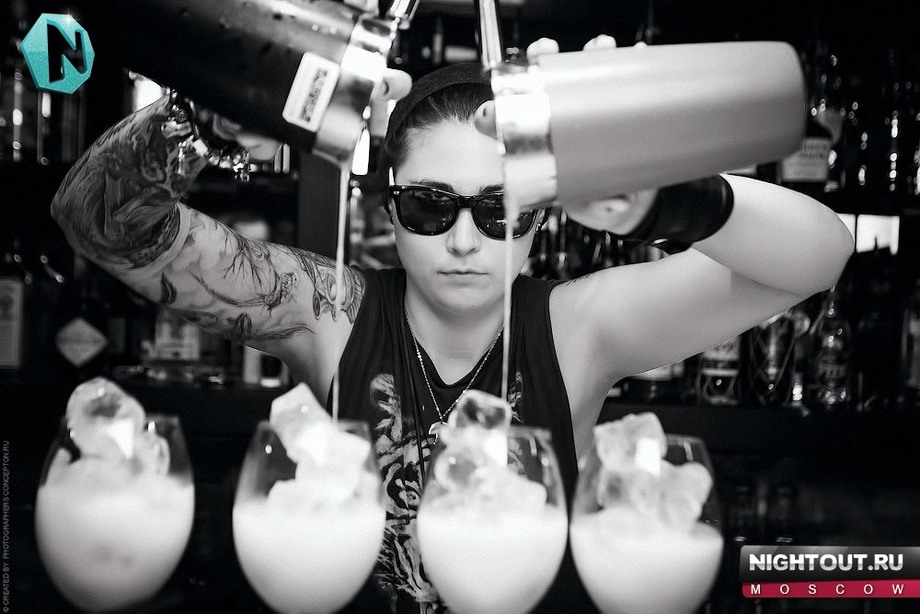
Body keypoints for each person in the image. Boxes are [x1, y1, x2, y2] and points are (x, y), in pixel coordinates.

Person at [50, 35, 853, 613]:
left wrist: (663, 194)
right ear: (389, 210)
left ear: (541, 214)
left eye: (501, 211)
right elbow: (98, 223)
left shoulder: (580, 326)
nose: (465, 241)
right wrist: (207, 119)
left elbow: (820, 255)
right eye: (431, 206)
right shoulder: (329, 311)